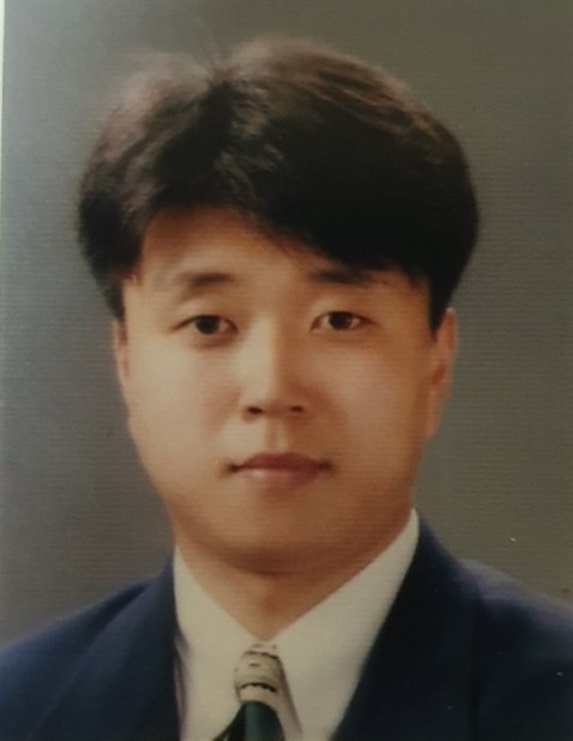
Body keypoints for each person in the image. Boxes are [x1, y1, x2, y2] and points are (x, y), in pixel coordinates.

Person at [1, 36, 572, 741]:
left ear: (435, 361)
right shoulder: (18, 708)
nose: (271, 389)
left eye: (339, 320)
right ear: (126, 361)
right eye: (208, 323)